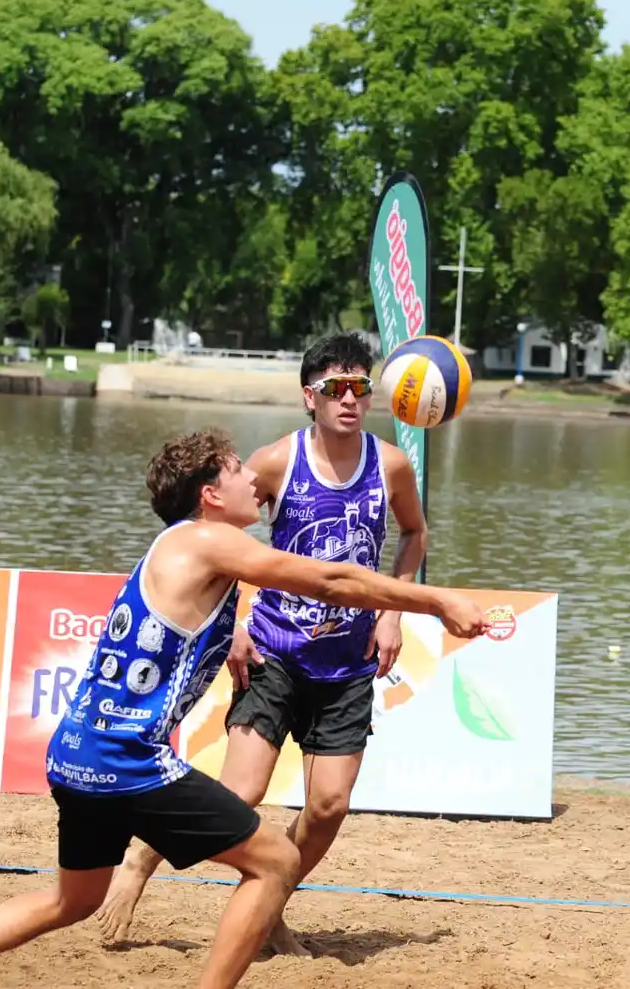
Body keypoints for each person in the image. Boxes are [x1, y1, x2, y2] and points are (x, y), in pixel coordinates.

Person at [0, 429, 486, 989]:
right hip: (127, 758)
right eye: (234, 471)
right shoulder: (208, 541)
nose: (252, 479)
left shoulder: (177, 545)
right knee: (275, 860)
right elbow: (330, 581)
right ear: (209, 495)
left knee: (71, 901)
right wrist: (433, 599)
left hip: (76, 749)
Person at [97, 332, 423, 956]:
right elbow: (221, 534)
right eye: (336, 388)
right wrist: (239, 622)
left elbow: (414, 534)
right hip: (274, 650)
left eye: (361, 386)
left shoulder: (392, 465)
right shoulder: (276, 461)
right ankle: (142, 860)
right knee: (240, 794)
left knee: (328, 807)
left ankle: (270, 904)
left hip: (346, 665)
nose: (351, 398)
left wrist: (391, 612)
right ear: (310, 396)